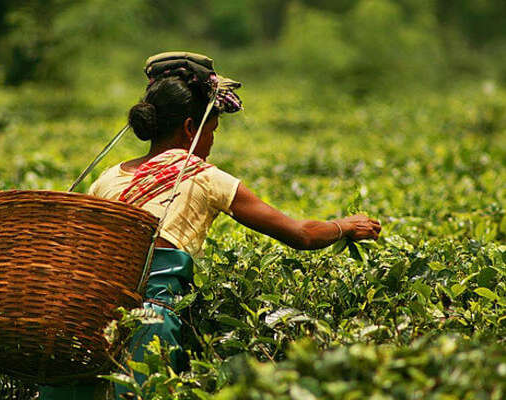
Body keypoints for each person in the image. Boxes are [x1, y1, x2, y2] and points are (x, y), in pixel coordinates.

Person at [40, 52, 381, 399]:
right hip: (149, 321)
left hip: (88, 319)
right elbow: (301, 235)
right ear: (191, 128)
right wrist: (344, 226)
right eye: (212, 130)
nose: (212, 141)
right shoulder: (205, 178)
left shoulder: (110, 177)